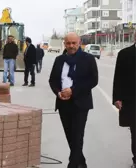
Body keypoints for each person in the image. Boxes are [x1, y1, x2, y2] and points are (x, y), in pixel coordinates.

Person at [49, 32, 98, 168]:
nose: (71, 46)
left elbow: (93, 80)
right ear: (64, 44)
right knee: (70, 136)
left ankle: (73, 164)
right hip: (63, 103)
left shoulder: (88, 59)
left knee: (77, 136)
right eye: (68, 43)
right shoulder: (59, 60)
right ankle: (81, 164)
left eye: (73, 43)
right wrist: (59, 92)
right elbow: (52, 80)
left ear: (79, 43)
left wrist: (73, 90)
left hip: (80, 104)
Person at [112, 32, 136, 168]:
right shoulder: (125, 54)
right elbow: (118, 78)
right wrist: (117, 98)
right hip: (132, 100)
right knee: (135, 131)